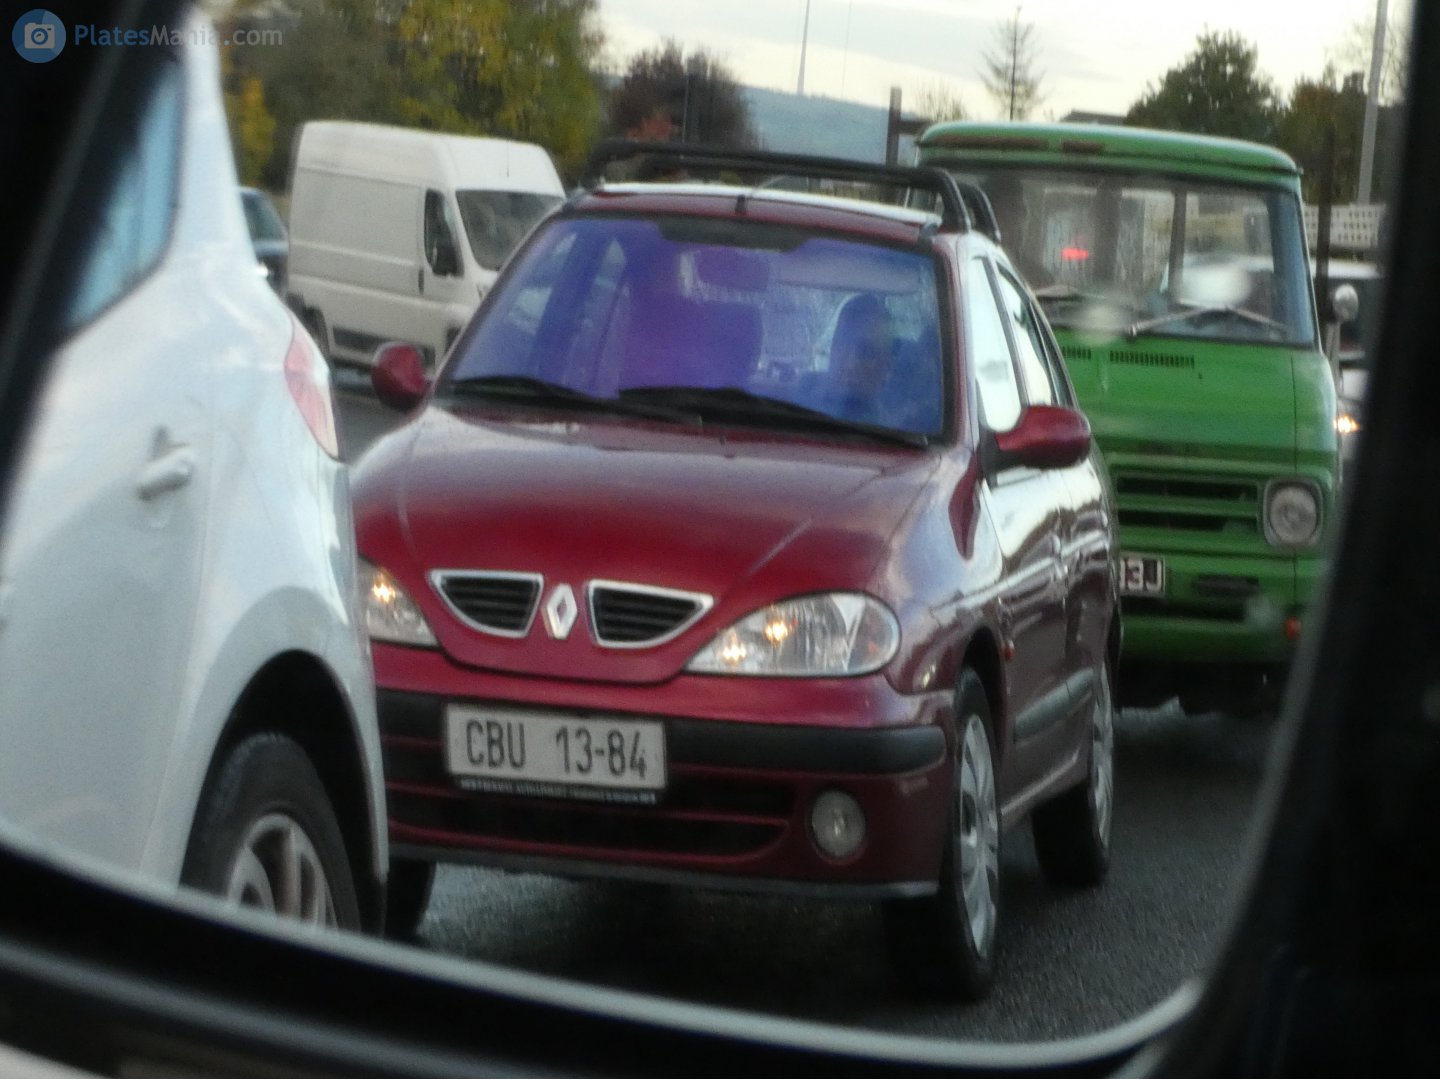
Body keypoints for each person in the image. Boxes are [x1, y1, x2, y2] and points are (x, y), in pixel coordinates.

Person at [983, 174, 1052, 287]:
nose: (1017, 222)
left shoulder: (1039, 277)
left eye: (1021, 212)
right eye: (1006, 213)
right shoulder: (970, 269)